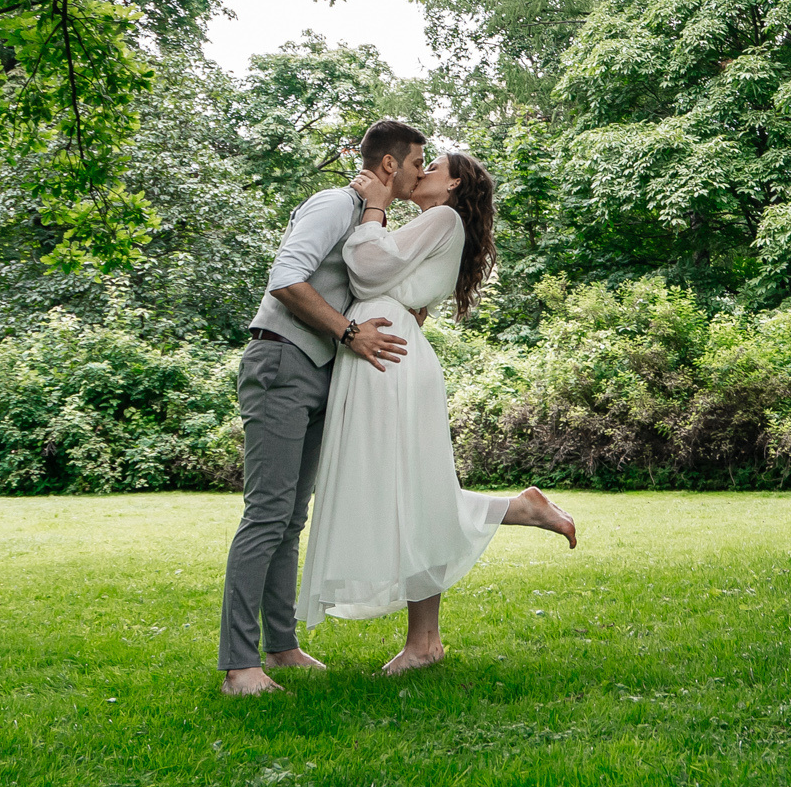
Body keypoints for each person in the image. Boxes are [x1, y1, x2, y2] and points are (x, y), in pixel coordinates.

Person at [298, 146, 577, 674]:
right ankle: (429, 634)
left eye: (433, 168)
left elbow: (367, 270)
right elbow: (386, 278)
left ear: (452, 186)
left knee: (406, 488)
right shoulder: (436, 225)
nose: (421, 173)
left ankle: (430, 634)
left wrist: (376, 210)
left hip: (388, 355)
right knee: (405, 488)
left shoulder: (442, 217)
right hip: (385, 350)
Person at [217, 119, 421, 698]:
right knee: (266, 513)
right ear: (388, 164)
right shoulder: (336, 202)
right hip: (281, 362)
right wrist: (351, 332)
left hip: (318, 375)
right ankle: (238, 665)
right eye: (413, 165)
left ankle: (280, 647)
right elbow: (286, 279)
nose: (417, 175)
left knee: (290, 518)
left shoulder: (367, 221)